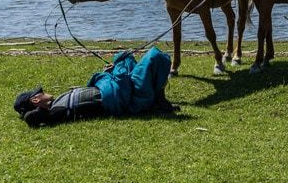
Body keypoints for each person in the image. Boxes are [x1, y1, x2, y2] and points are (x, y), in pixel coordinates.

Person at [14, 47, 176, 127]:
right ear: (36, 100)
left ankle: (155, 95)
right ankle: (158, 101)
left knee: (122, 56)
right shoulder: (57, 112)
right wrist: (116, 72)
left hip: (118, 88)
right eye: (40, 92)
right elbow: (118, 94)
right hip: (130, 97)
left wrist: (107, 74)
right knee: (155, 56)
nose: (44, 91)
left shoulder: (60, 103)